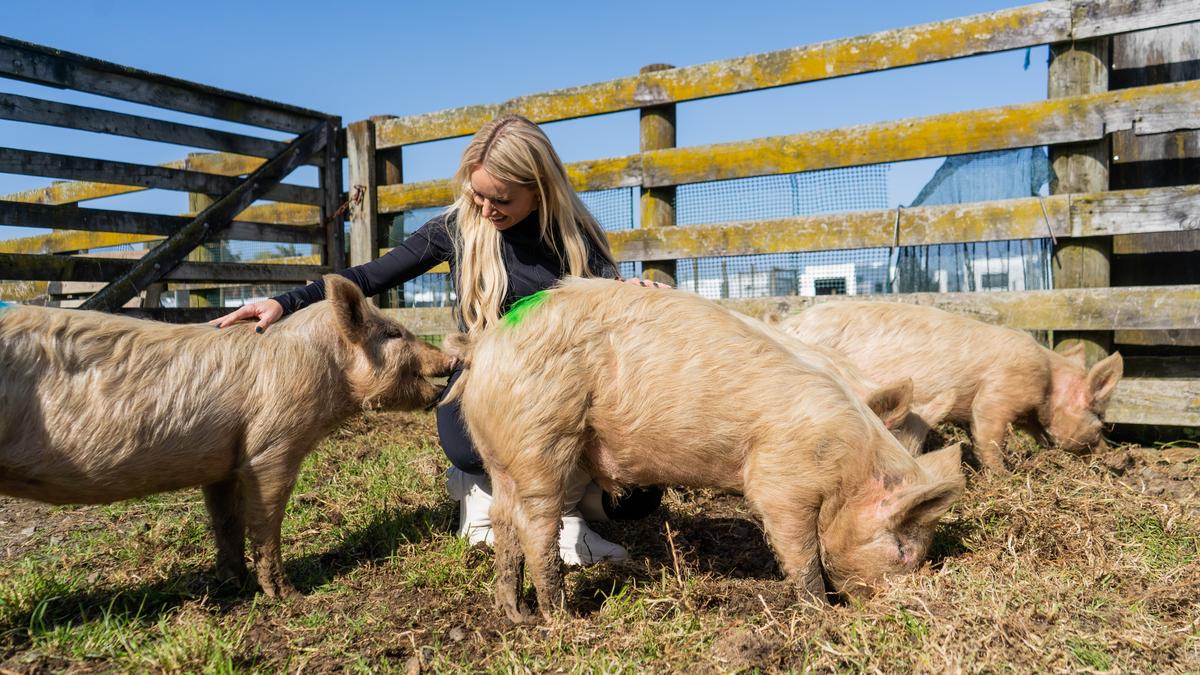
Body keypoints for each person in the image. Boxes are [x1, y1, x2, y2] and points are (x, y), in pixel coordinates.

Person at [213, 114, 662, 565]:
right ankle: (547, 518)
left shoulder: (576, 237)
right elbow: (370, 275)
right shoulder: (457, 227)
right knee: (475, 449)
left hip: (558, 381)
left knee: (637, 497)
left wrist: (639, 298)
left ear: (539, 188)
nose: (486, 209)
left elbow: (613, 306)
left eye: (501, 199)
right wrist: (285, 302)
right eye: (477, 193)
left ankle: (501, 496)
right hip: (490, 378)